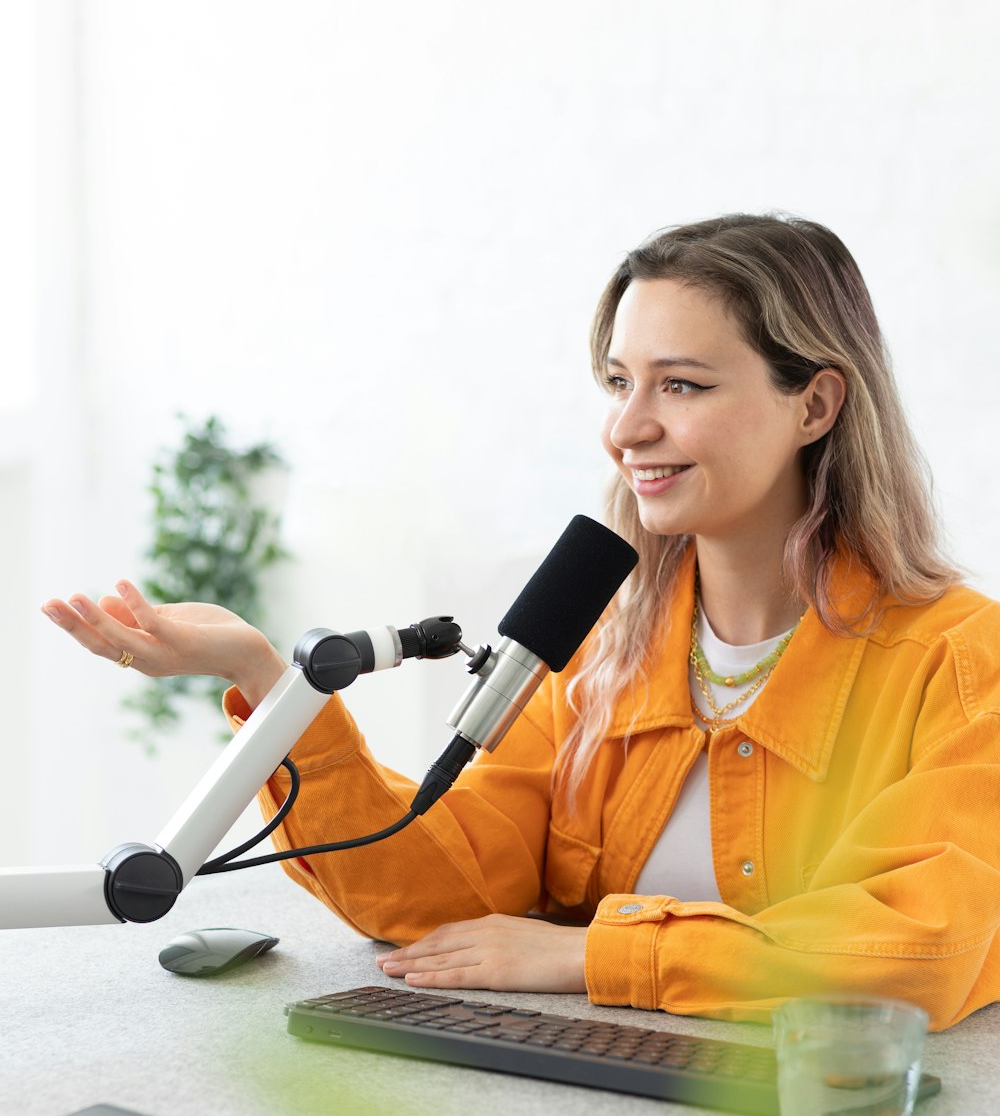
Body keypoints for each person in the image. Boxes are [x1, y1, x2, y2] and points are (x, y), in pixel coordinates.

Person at [42, 213, 1000, 1031]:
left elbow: (920, 948)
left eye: (683, 385)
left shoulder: (960, 662)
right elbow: (437, 894)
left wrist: (588, 957)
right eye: (620, 383)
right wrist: (266, 677)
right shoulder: (600, 655)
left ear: (816, 404)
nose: (627, 430)